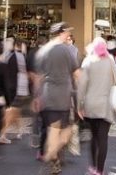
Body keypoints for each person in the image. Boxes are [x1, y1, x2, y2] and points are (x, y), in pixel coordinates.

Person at [35, 22, 80, 175]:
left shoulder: (43, 51)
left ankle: (54, 163)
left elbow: (38, 77)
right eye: (67, 31)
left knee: (52, 133)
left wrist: (37, 97)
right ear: (61, 33)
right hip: (63, 97)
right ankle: (48, 158)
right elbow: (76, 74)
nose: (68, 34)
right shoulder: (67, 50)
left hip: (48, 96)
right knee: (66, 132)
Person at [78, 38, 116, 175]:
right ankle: (99, 170)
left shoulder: (88, 62)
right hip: (105, 105)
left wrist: (79, 105)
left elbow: (81, 86)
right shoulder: (110, 61)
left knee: (94, 137)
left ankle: (92, 166)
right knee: (103, 138)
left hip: (90, 105)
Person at [0, 37, 29, 144]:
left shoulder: (10, 56)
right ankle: (18, 130)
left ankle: (3, 133)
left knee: (11, 111)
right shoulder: (20, 56)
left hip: (14, 88)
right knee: (15, 111)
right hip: (19, 88)